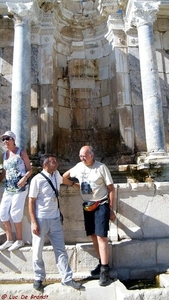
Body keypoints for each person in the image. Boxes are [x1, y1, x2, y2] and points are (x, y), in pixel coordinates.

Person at [63, 145, 116, 286]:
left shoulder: (101, 167)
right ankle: (101, 263)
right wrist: (76, 185)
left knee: (101, 236)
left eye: (84, 155)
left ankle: (105, 270)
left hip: (101, 204)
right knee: (93, 235)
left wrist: (111, 209)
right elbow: (64, 177)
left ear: (92, 155)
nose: (82, 158)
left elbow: (111, 189)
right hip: (87, 206)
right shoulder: (79, 167)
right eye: (80, 156)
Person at [28, 154, 82, 292]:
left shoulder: (56, 174)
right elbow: (31, 201)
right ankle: (38, 277)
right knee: (37, 250)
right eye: (53, 162)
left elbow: (63, 180)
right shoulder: (36, 180)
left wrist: (75, 185)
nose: (56, 163)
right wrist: (34, 222)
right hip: (41, 219)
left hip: (55, 218)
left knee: (61, 249)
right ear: (45, 165)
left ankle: (67, 278)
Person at [0, 130, 32, 251]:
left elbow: (30, 169)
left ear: (13, 139)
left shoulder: (21, 152)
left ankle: (19, 239)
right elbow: (4, 172)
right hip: (8, 188)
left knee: (15, 213)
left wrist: (24, 179)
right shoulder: (4, 155)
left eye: (7, 138)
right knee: (3, 214)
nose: (5, 141)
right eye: (3, 139)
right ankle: (9, 240)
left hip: (21, 188)